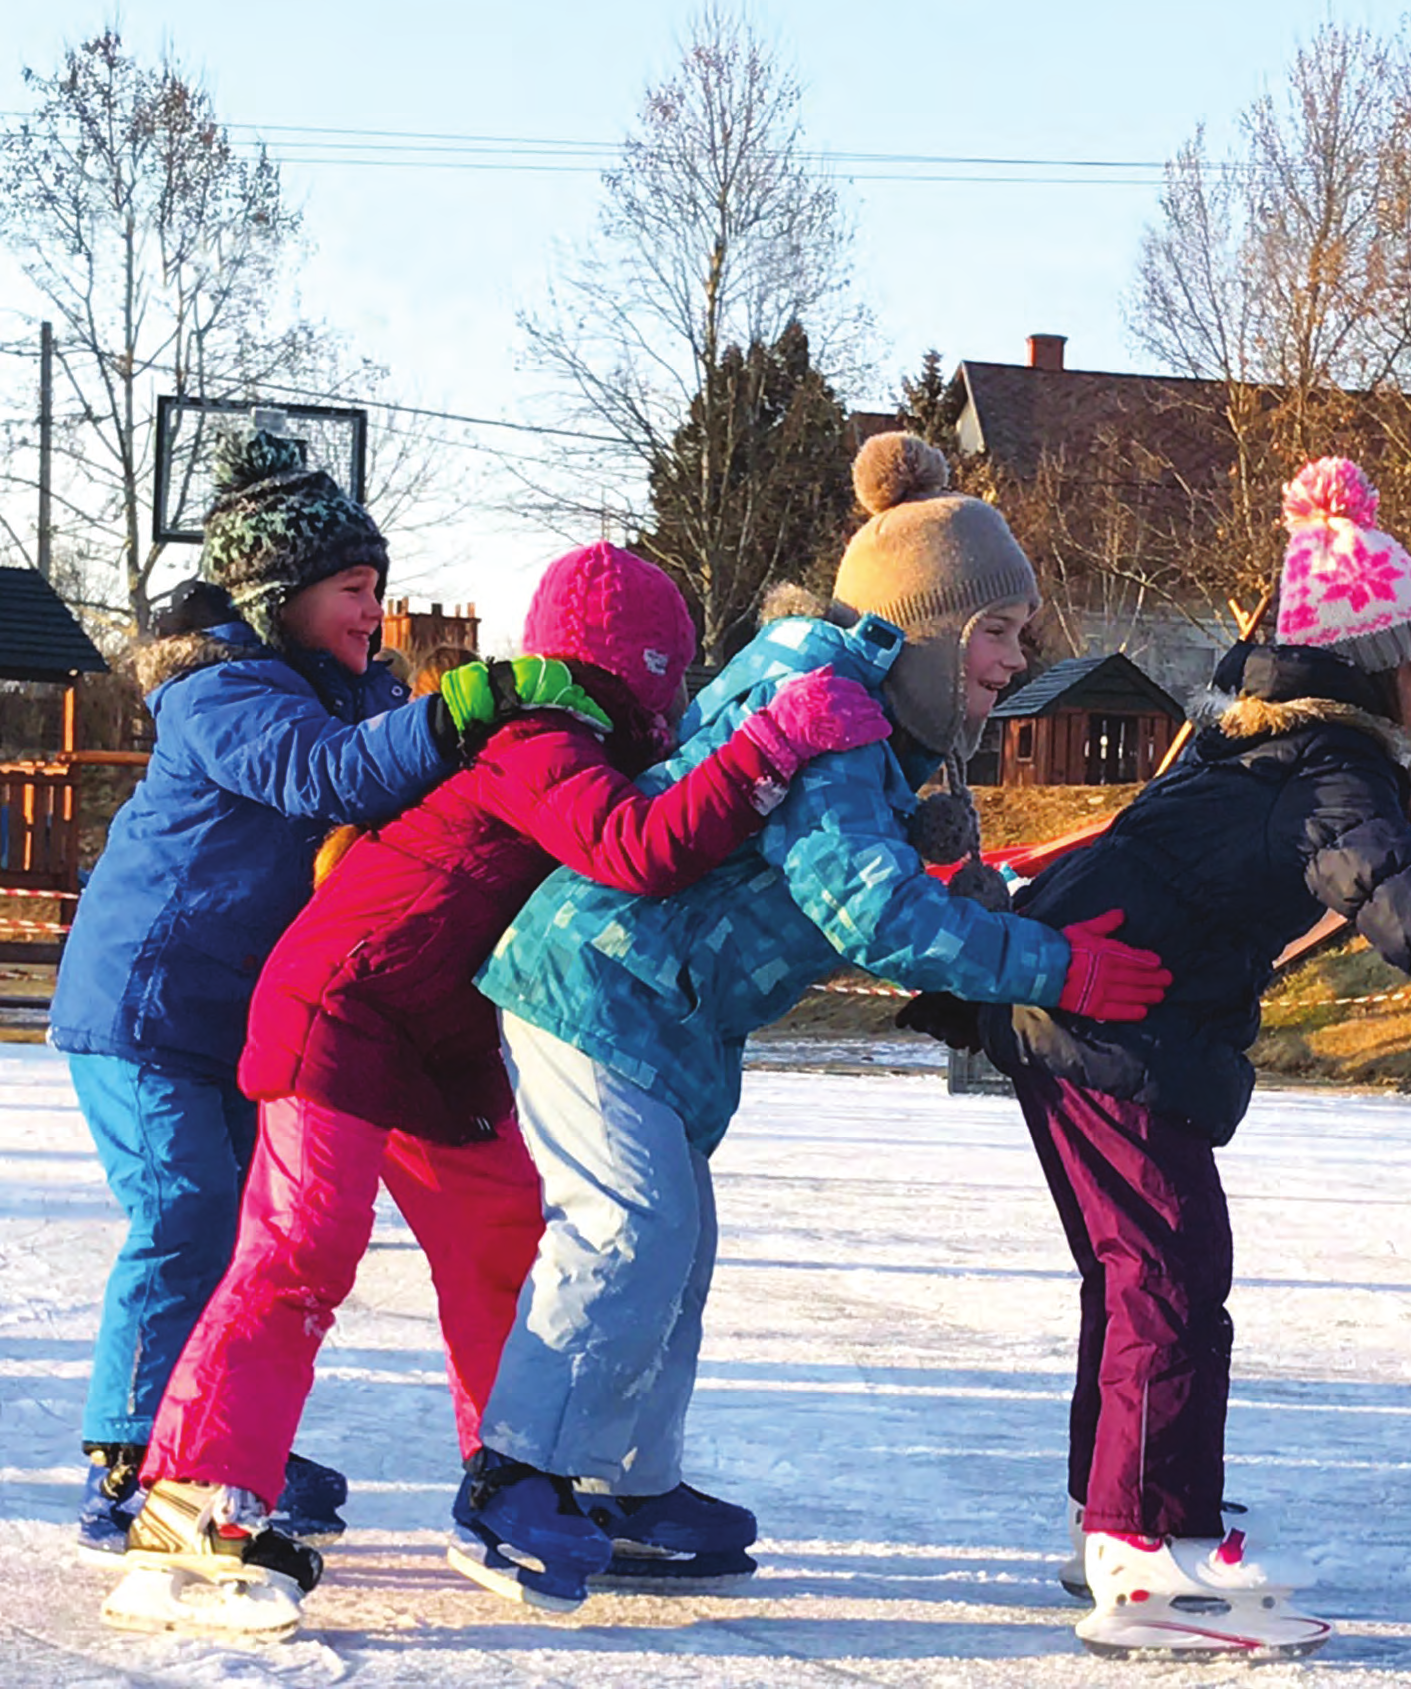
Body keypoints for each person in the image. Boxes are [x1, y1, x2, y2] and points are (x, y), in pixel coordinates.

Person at [108, 543, 891, 1635]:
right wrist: (767, 745)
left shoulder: (594, 744)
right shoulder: (541, 737)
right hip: (341, 1004)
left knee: (508, 1246)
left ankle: (526, 1473)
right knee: (301, 1250)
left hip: (443, 1037)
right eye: (665, 676)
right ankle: (192, 1496)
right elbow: (636, 849)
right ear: (637, 666)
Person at [449, 433, 1171, 1613]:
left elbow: (909, 888)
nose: (1012, 662)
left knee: (675, 1247)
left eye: (1019, 635)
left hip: (661, 1015)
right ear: (926, 631)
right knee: (630, 1227)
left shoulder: (886, 741)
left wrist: (997, 916)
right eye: (995, 633)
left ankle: (628, 1488)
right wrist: (1055, 969)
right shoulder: (826, 706)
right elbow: (869, 907)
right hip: (594, 981)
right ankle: (512, 1474)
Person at [905, 456, 1411, 1662]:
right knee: (1168, 1276)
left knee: (1141, 1276)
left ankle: (1111, 1520)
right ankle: (1142, 1541)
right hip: (1104, 1029)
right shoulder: (1328, 780)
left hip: (1079, 1022)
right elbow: (1404, 898)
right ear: (1388, 667)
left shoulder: (1248, 752)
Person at [49, 427, 550, 1562]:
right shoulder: (221, 691)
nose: (373, 610)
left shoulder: (333, 684)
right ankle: (131, 1452)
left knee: (238, 1233)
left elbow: (404, 779)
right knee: (181, 1215)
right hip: (142, 1005)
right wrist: (464, 702)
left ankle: (205, 1431)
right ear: (279, 595)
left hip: (227, 1013)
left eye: (377, 587)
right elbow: (330, 773)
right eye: (352, 589)